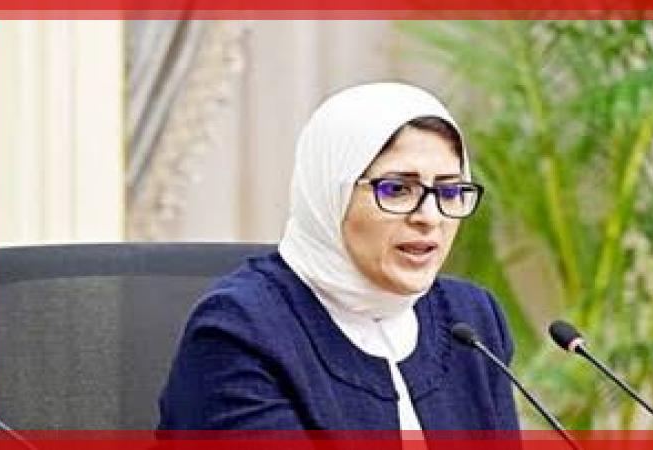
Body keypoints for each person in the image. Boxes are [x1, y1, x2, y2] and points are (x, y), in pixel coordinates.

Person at [157, 82, 519, 431]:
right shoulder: (240, 329)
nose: (430, 217)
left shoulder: (471, 318)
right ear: (331, 193)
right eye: (397, 189)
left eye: (450, 191)